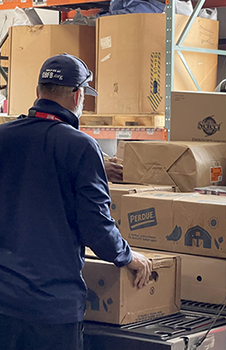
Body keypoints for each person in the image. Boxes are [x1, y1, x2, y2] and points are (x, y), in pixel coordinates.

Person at [0, 53, 152, 350]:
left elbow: (33, 172)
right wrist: (129, 257)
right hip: (51, 309)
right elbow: (96, 226)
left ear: (37, 91)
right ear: (78, 95)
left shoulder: (4, 137)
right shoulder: (81, 147)